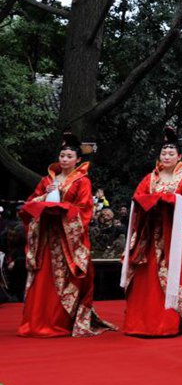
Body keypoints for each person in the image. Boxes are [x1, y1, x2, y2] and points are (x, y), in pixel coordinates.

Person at [122, 126, 182, 337]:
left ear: (179, 156)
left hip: (172, 235)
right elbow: (137, 198)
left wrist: (172, 200)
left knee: (174, 275)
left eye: (171, 153)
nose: (166, 157)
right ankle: (140, 322)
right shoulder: (150, 178)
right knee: (145, 276)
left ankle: (169, 322)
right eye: (163, 153)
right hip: (149, 235)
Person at [17, 132, 115, 337]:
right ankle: (37, 319)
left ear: (78, 160)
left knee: (64, 276)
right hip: (46, 235)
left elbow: (85, 208)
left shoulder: (82, 181)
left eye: (69, 156)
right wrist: (46, 195)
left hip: (66, 238)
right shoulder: (47, 180)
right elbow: (31, 202)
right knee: (42, 276)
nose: (64, 159)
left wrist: (62, 206)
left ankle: (60, 320)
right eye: (62, 155)